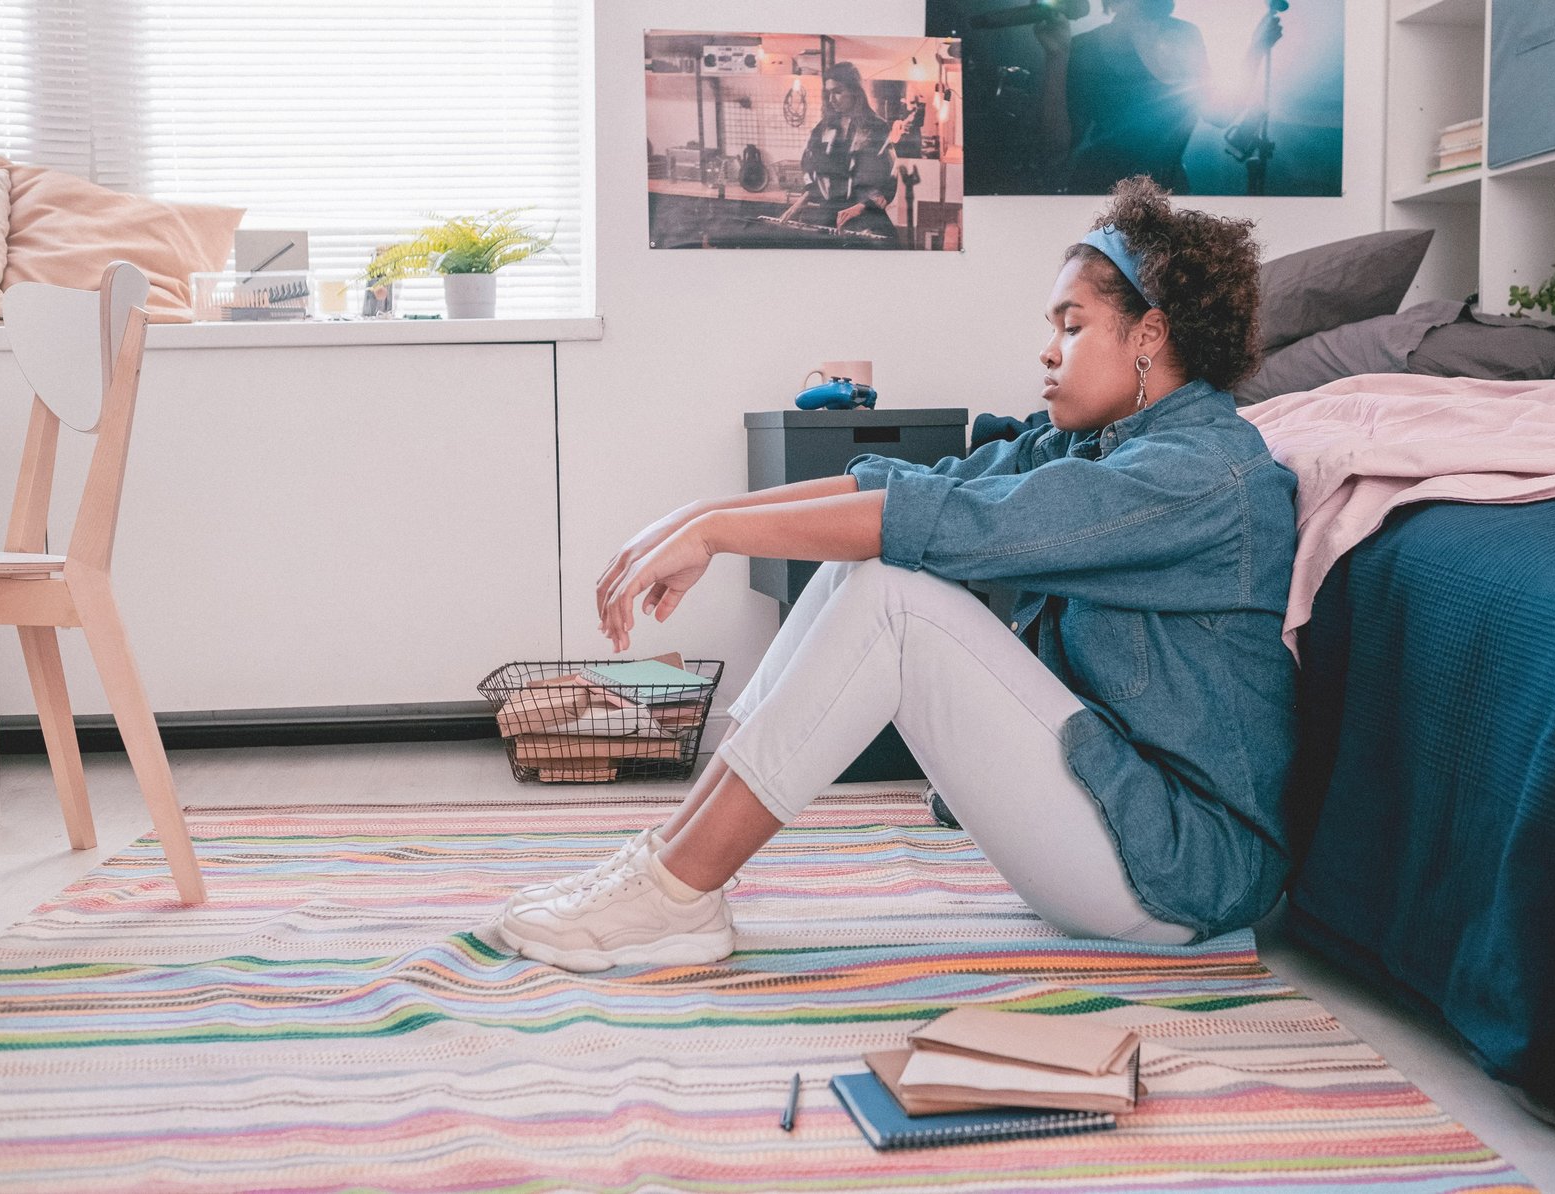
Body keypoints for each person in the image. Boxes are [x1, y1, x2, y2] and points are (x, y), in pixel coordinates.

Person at [497, 175, 1299, 974]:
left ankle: (674, 893)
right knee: (870, 568)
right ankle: (670, 863)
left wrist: (716, 532)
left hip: (1180, 874)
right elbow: (908, 488)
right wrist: (704, 516)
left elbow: (944, 523)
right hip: (1114, 827)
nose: (1048, 350)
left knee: (893, 595)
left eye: (1073, 325)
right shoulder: (1095, 447)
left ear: (1149, 335)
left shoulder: (1197, 476)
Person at [1035, 0, 1283, 194]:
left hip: (1168, 189)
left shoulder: (1186, 35)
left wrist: (1256, 49)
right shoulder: (1084, 47)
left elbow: (1219, 114)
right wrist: (1057, 58)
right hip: (1104, 192)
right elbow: (1057, 148)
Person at [775, 61, 900, 245]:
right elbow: (812, 167)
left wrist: (859, 207)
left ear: (855, 92)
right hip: (828, 213)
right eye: (828, 93)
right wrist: (801, 201)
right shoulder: (823, 128)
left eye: (838, 91)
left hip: (866, 214)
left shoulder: (876, 127)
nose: (831, 99)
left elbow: (888, 178)